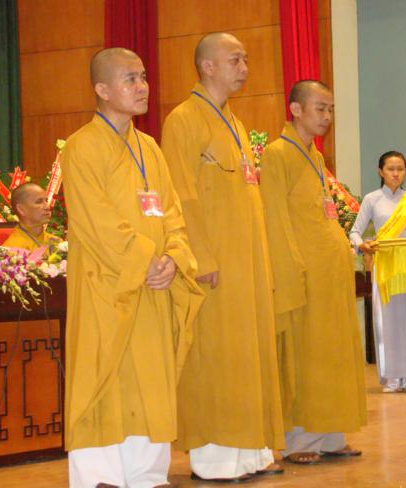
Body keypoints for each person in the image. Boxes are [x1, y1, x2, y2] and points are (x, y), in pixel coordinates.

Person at [61, 47, 204, 488]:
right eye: (130, 79)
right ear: (102, 89)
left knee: (150, 381)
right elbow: (96, 219)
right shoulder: (82, 147)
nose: (142, 86)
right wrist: (145, 259)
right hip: (107, 286)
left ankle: (146, 474)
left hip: (153, 286)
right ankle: (98, 476)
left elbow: (172, 213)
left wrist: (173, 257)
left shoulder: (150, 148)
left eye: (143, 77)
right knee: (103, 379)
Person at [161, 32, 285, 483]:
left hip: (246, 264)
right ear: (207, 66)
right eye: (235, 60)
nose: (245, 68)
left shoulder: (234, 122)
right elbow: (180, 194)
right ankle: (214, 459)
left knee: (247, 355)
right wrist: (200, 256)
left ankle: (250, 451)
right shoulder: (183, 120)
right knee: (216, 356)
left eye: (246, 60)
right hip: (211, 265)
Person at [259, 80, 367, 465]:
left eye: (331, 109)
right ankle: (299, 441)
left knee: (331, 354)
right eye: (320, 108)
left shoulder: (314, 156)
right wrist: (290, 269)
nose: (327, 116)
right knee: (303, 355)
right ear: (296, 109)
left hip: (329, 273)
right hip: (302, 272)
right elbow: (274, 217)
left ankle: (330, 434)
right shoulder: (277, 154)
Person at [349, 151, 406, 393]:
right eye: (391, 169)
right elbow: (355, 231)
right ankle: (393, 378)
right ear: (380, 171)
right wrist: (362, 245)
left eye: (400, 169)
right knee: (389, 322)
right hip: (386, 268)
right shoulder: (372, 199)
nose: (396, 173)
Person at [2, 183, 60, 251]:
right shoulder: (12, 250)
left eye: (46, 201)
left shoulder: (56, 242)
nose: (47, 207)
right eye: (39, 202)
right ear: (21, 209)